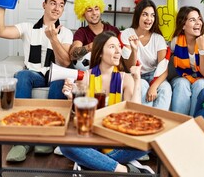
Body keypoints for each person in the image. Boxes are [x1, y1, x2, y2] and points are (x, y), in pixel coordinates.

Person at [0, 0, 73, 161]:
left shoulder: (66, 33)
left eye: (61, 5)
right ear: (44, 5)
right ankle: (22, 140)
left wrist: (53, 39)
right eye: (53, 3)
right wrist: (1, 4)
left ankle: (48, 136)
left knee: (59, 81)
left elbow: (65, 62)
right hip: (34, 74)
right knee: (22, 75)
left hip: (54, 74)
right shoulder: (27, 28)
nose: (57, 8)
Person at [60, 31, 153, 174]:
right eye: (112, 47)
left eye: (119, 47)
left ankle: (93, 164)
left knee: (149, 142)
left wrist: (137, 79)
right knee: (65, 147)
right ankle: (124, 170)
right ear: (100, 53)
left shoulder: (125, 78)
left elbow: (135, 115)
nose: (118, 51)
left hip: (117, 141)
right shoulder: (85, 77)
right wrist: (70, 98)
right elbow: (78, 120)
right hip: (91, 139)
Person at [121, 0, 172, 110]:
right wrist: (134, 49)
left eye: (152, 15)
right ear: (138, 16)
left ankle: (160, 121)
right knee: (142, 86)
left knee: (166, 88)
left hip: (155, 75)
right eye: (145, 14)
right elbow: (130, 67)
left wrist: (153, 86)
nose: (149, 19)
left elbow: (164, 69)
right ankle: (144, 122)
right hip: (135, 74)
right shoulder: (127, 34)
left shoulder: (158, 39)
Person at [169, 6, 204, 116]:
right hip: (185, 77)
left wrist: (202, 49)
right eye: (192, 20)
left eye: (199, 19)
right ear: (183, 25)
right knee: (180, 83)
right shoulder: (176, 41)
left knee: (199, 84)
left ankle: (192, 123)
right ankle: (178, 122)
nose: (198, 23)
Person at [70, 0, 120, 66]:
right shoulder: (81, 32)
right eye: (89, 10)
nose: (94, 13)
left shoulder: (113, 30)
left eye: (96, 9)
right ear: (83, 14)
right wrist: (89, 47)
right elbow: (72, 55)